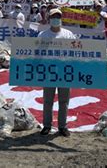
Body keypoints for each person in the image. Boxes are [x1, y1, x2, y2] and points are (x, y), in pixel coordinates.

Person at [38, 8, 76, 137]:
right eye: (54, 16)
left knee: (64, 101)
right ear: (49, 19)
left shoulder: (68, 34)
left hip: (65, 72)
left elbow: (75, 52)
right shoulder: (43, 35)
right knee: (48, 100)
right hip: (48, 72)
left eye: (58, 16)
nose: (56, 19)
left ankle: (62, 126)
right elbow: (37, 52)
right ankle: (47, 125)